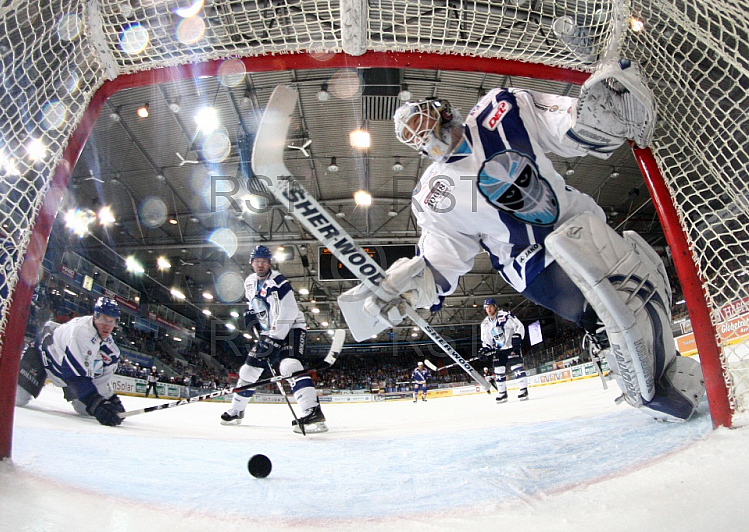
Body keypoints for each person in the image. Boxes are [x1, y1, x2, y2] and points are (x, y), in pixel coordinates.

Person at [339, 58, 705, 421]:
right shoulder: (434, 193)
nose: (425, 135)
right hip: (531, 261)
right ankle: (647, 389)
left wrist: (597, 118)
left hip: (577, 220)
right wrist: (408, 287)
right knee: (608, 313)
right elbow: (444, 254)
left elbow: (563, 125)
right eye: (414, 135)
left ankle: (669, 367)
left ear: (443, 110)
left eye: (423, 122)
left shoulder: (500, 111)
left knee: (647, 285)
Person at [221, 245, 327, 433]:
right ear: (252, 263)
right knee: (249, 370)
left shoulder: (278, 281)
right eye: (257, 261)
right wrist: (251, 317)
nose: (260, 264)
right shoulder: (250, 282)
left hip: (291, 329)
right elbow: (253, 304)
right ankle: (237, 411)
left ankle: (312, 412)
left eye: (264, 261)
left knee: (289, 367)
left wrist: (275, 338)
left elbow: (289, 311)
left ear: (270, 263)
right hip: (269, 332)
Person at [15, 297, 125, 426]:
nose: (107, 325)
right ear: (95, 316)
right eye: (104, 319)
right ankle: (3, 378)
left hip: (67, 373)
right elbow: (75, 375)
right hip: (43, 356)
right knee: (17, 398)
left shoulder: (111, 351)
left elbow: (99, 380)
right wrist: (97, 404)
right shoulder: (81, 333)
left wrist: (110, 400)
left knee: (84, 410)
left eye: (111, 321)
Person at [479, 299, 527, 403]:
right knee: (498, 370)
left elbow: (519, 326)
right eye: (486, 307)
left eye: (490, 306)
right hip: (499, 350)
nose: (489, 309)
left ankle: (523, 390)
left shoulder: (505, 316)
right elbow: (486, 340)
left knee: (516, 367)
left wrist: (517, 337)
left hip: (511, 347)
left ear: (495, 306)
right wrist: (485, 349)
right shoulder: (485, 324)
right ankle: (502, 393)